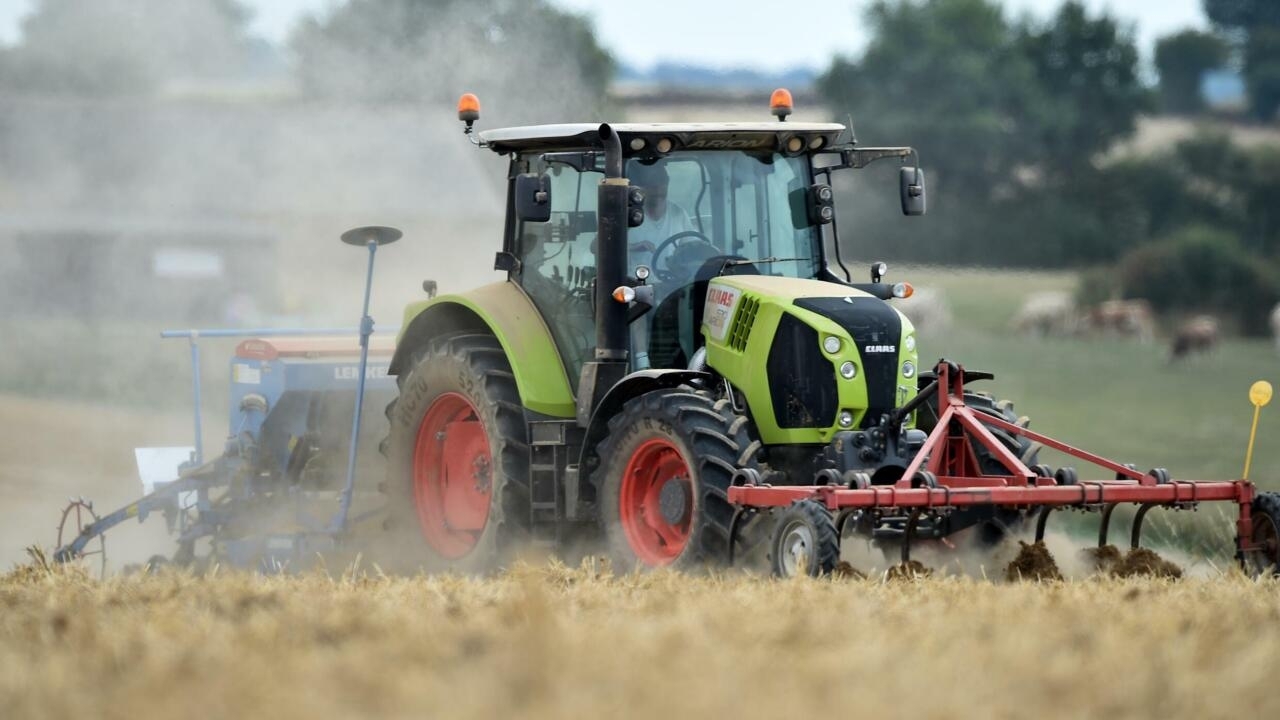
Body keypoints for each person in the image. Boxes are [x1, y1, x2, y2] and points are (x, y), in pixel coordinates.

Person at [626, 161, 695, 272]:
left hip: (672, 282)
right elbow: (596, 247)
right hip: (634, 283)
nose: (657, 190)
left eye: (661, 184)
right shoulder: (628, 213)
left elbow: (692, 246)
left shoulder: (678, 213)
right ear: (640, 188)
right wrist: (634, 247)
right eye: (652, 186)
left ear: (667, 185)